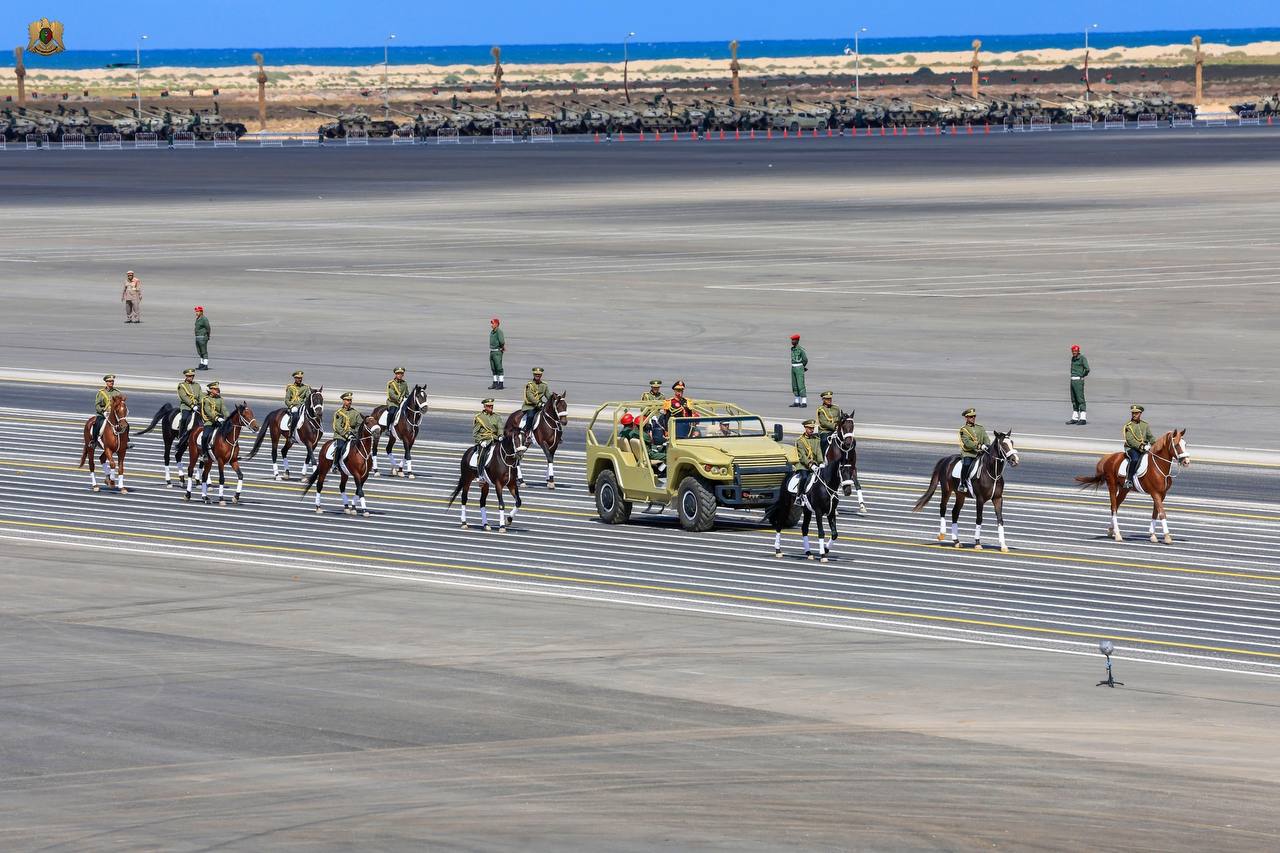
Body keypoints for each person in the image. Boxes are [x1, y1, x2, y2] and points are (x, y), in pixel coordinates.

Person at [958, 407, 989, 495]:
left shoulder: (980, 428)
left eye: (974, 416)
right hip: (969, 453)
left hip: (981, 452)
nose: (973, 418)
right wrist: (979, 445)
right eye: (971, 417)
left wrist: (986, 445)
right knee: (966, 465)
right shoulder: (964, 430)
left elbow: (986, 438)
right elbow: (967, 443)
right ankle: (962, 484)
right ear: (967, 418)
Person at [1123, 404, 1155, 490]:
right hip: (1131, 448)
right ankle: (1128, 480)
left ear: (1140, 413)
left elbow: (1150, 437)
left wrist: (1155, 444)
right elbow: (1130, 440)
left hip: (1144, 448)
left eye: (1136, 413)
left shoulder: (1145, 425)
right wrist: (1142, 446)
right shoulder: (1128, 426)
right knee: (1135, 459)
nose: (1134, 415)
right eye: (1133, 413)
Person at [174, 367, 203, 449]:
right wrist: (192, 405)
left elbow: (201, 396)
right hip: (186, 406)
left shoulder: (197, 385)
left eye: (192, 376)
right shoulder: (182, 386)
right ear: (186, 376)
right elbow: (184, 397)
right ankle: (181, 436)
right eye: (189, 376)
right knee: (184, 418)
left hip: (197, 406)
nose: (191, 377)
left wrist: (202, 403)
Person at [198, 381, 228, 457]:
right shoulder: (206, 399)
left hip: (219, 420)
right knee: (205, 436)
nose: (218, 391)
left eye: (218, 389)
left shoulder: (220, 399)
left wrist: (228, 418)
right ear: (211, 390)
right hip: (210, 421)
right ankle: (204, 453)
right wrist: (216, 417)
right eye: (215, 389)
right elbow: (208, 411)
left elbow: (224, 410)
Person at [331, 392, 363, 465]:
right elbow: (337, 426)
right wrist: (346, 435)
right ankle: (335, 464)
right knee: (340, 447)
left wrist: (354, 432)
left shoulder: (355, 413)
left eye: (350, 400)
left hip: (353, 435)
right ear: (344, 401)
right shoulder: (339, 413)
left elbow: (360, 424)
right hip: (340, 435)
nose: (350, 402)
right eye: (348, 400)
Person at [91, 374, 123, 444]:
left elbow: (120, 404)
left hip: (114, 415)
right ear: (106, 382)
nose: (111, 383)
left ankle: (125, 441)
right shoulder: (101, 393)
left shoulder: (117, 392)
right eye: (109, 381)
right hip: (103, 414)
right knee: (96, 424)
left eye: (112, 381)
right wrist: (103, 410)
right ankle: (94, 440)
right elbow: (97, 406)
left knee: (124, 424)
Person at [794, 419, 822, 495]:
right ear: (805, 428)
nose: (812, 430)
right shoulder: (800, 441)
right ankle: (799, 495)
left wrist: (821, 462)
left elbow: (819, 452)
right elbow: (802, 456)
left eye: (813, 428)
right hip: (803, 466)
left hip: (815, 464)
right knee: (804, 478)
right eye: (810, 428)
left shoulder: (816, 440)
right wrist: (810, 464)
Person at [472, 398, 502, 468]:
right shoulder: (479, 417)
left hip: (495, 439)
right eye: (489, 406)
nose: (491, 407)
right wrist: (480, 441)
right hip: (485, 440)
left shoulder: (497, 417)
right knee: (482, 455)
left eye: (492, 406)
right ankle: (480, 473)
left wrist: (500, 435)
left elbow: (500, 428)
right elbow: (475, 433)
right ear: (485, 407)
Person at [284, 371, 311, 443]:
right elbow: (286, 400)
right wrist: (291, 405)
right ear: (295, 378)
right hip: (294, 406)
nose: (300, 379)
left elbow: (308, 398)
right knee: (295, 415)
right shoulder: (290, 388)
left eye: (301, 378)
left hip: (303, 406)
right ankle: (291, 435)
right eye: (298, 378)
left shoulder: (306, 388)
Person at [1068, 344, 1091, 425]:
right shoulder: (1073, 358)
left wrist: (1082, 375)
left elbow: (1087, 369)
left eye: (1075, 351)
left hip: (1078, 380)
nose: (1074, 352)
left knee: (1080, 399)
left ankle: (1083, 418)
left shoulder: (1082, 358)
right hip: (1073, 380)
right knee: (1074, 399)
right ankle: (1075, 417)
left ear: (1078, 351)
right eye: (1073, 351)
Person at [789, 333, 809, 408]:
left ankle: (804, 402)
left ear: (797, 340)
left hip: (799, 367)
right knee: (794, 385)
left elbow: (805, 359)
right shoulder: (792, 349)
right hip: (793, 367)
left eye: (793, 340)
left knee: (800, 384)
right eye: (792, 340)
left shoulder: (800, 349)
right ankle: (797, 401)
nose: (792, 341)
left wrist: (802, 367)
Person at [488, 318, 506, 390]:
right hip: (492, 351)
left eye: (493, 323)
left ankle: (500, 383)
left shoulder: (499, 332)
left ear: (496, 324)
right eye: (491, 323)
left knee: (499, 368)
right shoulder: (492, 332)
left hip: (497, 352)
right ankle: (495, 383)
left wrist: (502, 348)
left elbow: (502, 341)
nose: (491, 325)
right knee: (493, 368)